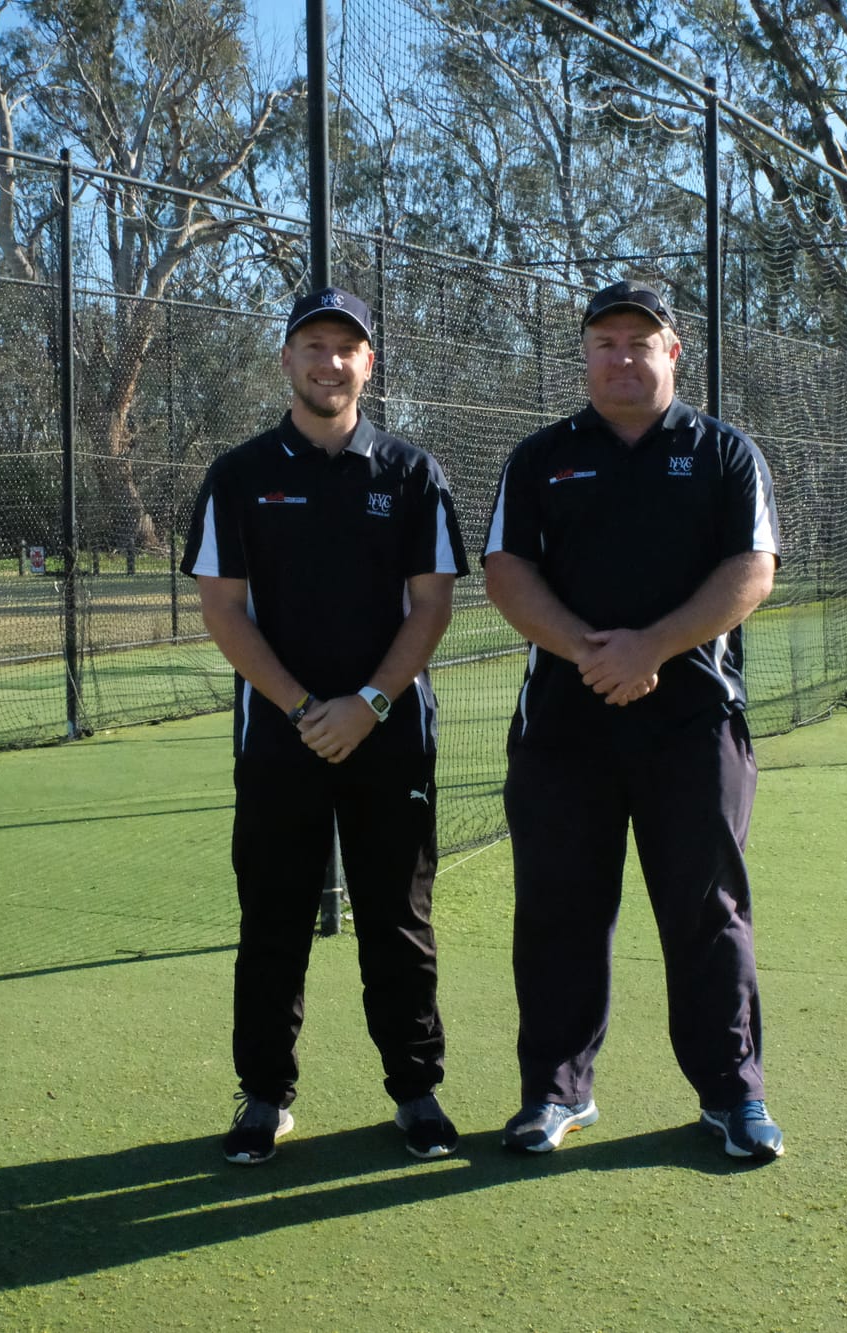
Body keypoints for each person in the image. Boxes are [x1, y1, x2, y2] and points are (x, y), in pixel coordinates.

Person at [482, 279, 785, 1161]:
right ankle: (554, 1092)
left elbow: (751, 571)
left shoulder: (724, 452)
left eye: (639, 341)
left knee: (707, 909)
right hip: (564, 728)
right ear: (585, 356)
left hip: (693, 723)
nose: (622, 355)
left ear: (672, 352)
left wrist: (649, 648)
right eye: (605, 341)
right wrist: (590, 651)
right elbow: (507, 573)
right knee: (559, 909)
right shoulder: (539, 459)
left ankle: (732, 1095)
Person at [181, 286, 468, 1165]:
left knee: (398, 918)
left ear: (368, 364)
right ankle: (264, 1095)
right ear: (287, 361)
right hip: (282, 736)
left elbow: (433, 604)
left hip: (390, 732)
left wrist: (370, 703)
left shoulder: (412, 473)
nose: (329, 360)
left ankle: (415, 1092)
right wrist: (307, 709)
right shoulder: (238, 475)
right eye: (313, 344)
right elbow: (223, 610)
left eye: (346, 347)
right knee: (271, 918)